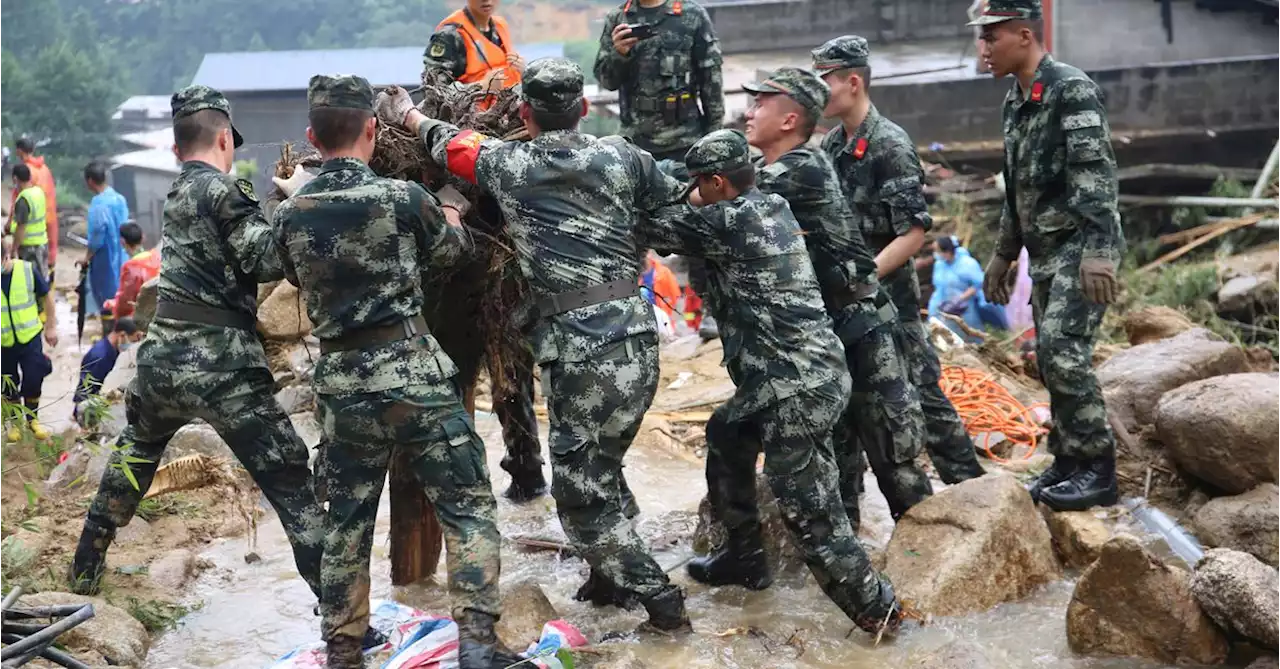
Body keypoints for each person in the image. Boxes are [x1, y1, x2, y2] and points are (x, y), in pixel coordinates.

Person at [377, 57, 692, 633]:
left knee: (577, 495)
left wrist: (409, 113)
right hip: (638, 340)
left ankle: (661, 602)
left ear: (523, 113)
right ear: (585, 110)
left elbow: (452, 146)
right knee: (604, 463)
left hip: (581, 349)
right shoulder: (626, 156)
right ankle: (608, 582)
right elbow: (675, 222)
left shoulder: (509, 162)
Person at [272, 74, 516, 669]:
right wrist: (454, 210)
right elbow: (452, 256)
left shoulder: (290, 214)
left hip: (342, 389)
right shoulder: (403, 199)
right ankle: (479, 645)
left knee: (346, 525)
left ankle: (344, 651)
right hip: (413, 374)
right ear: (373, 132)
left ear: (311, 137)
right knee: (466, 504)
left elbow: (290, 275)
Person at [640, 129, 903, 635]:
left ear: (718, 183)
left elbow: (656, 225)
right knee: (726, 433)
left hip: (797, 388)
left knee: (813, 520)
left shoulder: (730, 220)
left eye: (700, 184)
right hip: (791, 378)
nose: (695, 191)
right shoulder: (772, 205)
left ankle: (882, 614)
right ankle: (744, 558)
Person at [69, 86, 325, 605]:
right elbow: (267, 261)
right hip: (222, 367)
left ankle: (84, 569)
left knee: (136, 455)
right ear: (226, 138)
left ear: (175, 149)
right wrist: (299, 199)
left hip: (163, 360)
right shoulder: (225, 191)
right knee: (291, 482)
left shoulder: (180, 191)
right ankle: (345, 618)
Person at [740, 68, 932, 530]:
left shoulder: (801, 167)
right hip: (825, 332)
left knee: (895, 455)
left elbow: (721, 195)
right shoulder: (771, 169)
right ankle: (851, 570)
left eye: (760, 103)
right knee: (837, 457)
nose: (748, 112)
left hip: (862, 326)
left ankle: (942, 562)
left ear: (789, 120)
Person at [815, 36, 986, 486]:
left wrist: (865, 277)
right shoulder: (833, 146)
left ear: (853, 82)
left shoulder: (889, 144)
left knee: (921, 390)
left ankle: (971, 484)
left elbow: (912, 232)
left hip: (889, 299)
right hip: (848, 300)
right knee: (851, 399)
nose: (818, 91)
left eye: (825, 81)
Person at [972, 0, 1123, 511]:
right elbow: (1017, 188)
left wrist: (1099, 252)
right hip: (1046, 250)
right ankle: (1069, 458)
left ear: (1023, 34)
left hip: (1081, 246)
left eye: (991, 37)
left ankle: (1099, 469)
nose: (983, 48)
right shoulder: (1015, 102)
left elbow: (1095, 175)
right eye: (981, 37)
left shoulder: (1070, 89)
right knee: (1047, 357)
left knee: (1063, 351)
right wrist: (1002, 254)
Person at [594, 0, 726, 341]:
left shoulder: (692, 16)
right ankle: (628, 310)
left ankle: (707, 309)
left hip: (687, 141)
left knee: (700, 222)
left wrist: (714, 140)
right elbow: (605, 80)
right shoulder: (618, 18)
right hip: (636, 145)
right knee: (629, 227)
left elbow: (710, 78)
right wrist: (619, 53)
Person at [0, 237, 58, 442]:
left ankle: (32, 419)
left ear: (5, 256)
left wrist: (51, 326)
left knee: (34, 376)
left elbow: (47, 296)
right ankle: (14, 422)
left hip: (30, 336)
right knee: (7, 383)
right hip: (3, 342)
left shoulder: (26, 270)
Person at [423, 0, 525, 95]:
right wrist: (480, 87)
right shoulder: (449, 36)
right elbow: (434, 92)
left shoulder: (500, 27)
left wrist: (525, 72)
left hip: (508, 109)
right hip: (469, 113)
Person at [73, 317, 142, 430]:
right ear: (122, 335)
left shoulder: (110, 348)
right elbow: (86, 390)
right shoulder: (101, 357)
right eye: (133, 341)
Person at [83, 162, 129, 330]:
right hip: (122, 258)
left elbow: (96, 237)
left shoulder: (98, 204)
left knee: (107, 302)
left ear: (89, 181)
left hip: (105, 262)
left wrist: (86, 258)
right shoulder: (120, 199)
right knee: (122, 300)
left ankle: (110, 340)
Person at [10, 138, 58, 278]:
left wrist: (13, 244)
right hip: (45, 224)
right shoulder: (45, 169)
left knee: (28, 277)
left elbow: (19, 210)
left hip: (28, 235)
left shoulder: (25, 171)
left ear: (19, 150)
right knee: (45, 272)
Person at [104, 223, 161, 320]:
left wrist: (113, 306)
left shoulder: (130, 267)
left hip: (140, 316)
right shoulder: (156, 257)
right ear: (143, 238)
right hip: (158, 310)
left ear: (122, 242)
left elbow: (125, 302)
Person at [8, 164, 51, 285]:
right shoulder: (38, 192)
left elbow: (21, 228)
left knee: (29, 282)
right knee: (42, 281)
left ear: (15, 179)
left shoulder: (23, 199)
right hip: (42, 244)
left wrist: (14, 249)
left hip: (29, 249)